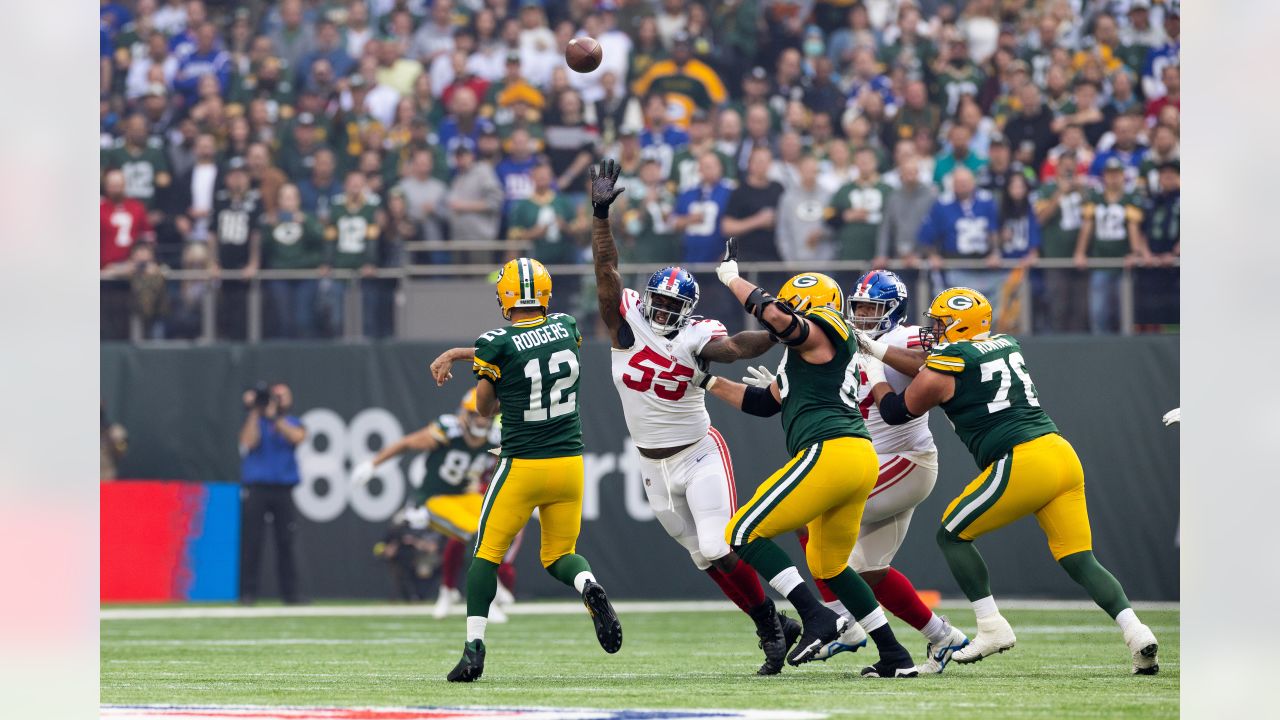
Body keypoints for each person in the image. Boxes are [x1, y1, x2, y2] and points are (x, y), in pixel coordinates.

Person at [857, 287, 1160, 675]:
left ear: (959, 324)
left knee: (952, 534)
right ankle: (1137, 633)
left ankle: (991, 626)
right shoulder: (1005, 343)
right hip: (1061, 454)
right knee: (1080, 558)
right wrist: (879, 350)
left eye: (940, 322)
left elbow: (897, 411)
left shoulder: (951, 358)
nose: (933, 329)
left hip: (1022, 459)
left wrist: (875, 370)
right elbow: (932, 364)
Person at [586, 159, 803, 675]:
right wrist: (600, 216)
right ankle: (775, 623)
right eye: (657, 303)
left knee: (715, 543)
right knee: (704, 558)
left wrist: (778, 332)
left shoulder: (694, 333)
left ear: (687, 309)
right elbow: (605, 271)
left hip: (697, 451)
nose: (661, 313)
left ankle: (775, 626)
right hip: (650, 464)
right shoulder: (627, 321)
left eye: (671, 306)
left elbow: (730, 349)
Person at [740, 270, 971, 673]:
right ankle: (941, 636)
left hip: (902, 459)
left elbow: (938, 364)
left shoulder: (901, 337)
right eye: (860, 307)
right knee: (868, 570)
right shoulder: (830, 340)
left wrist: (876, 351)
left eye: (873, 308)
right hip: (874, 462)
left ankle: (839, 622)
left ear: (893, 312)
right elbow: (775, 399)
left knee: (810, 517)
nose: (864, 315)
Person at [699, 259, 918, 678]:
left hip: (830, 451)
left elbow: (776, 316)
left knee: (741, 532)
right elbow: (764, 403)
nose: (779, 310)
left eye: (789, 304)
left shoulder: (824, 327)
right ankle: (894, 654)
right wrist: (706, 382)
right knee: (830, 566)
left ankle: (816, 616)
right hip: (855, 457)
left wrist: (731, 279)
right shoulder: (809, 353)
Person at [427, 257, 622, 682]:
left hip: (522, 465)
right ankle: (588, 585)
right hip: (569, 465)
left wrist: (476, 367)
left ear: (506, 296)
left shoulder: (496, 341)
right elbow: (527, 347)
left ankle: (473, 649)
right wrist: (465, 354)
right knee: (559, 556)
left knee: (485, 556)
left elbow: (483, 406)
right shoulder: (568, 326)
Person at [350, 389, 516, 621]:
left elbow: (508, 466)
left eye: (485, 415)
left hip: (466, 496)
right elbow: (407, 443)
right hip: (435, 499)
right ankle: (489, 593)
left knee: (499, 523)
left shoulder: (495, 437)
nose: (481, 420)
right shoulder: (448, 431)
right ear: (464, 416)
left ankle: (453, 591)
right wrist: (373, 464)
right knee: (475, 531)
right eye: (476, 415)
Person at [238, 382, 308, 605]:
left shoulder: (291, 421)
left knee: (286, 541)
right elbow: (248, 441)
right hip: (257, 488)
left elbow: (297, 437)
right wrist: (254, 412)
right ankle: (247, 593)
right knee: (251, 542)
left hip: (283, 488)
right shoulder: (255, 420)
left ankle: (291, 594)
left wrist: (275, 417)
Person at [1074, 157, 1149, 334]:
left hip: (1124, 263)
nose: (1113, 178)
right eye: (1110, 174)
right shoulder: (1096, 199)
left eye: (1117, 174)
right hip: (1100, 262)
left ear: (1123, 176)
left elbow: (1134, 228)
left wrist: (1135, 252)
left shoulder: (1130, 199)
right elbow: (1087, 226)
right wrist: (1080, 252)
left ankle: (1124, 352)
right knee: (1099, 313)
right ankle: (1100, 351)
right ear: (1104, 176)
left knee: (1124, 313)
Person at [918, 167, 1002, 302]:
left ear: (974, 182)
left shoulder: (987, 200)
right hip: (954, 265)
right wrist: (933, 255)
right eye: (959, 182)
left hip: (984, 266)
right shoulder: (942, 204)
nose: (963, 185)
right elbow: (927, 234)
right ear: (952, 184)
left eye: (966, 181)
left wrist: (995, 252)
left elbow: (994, 230)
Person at [320, 171, 381, 338]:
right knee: (337, 315)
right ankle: (338, 347)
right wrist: (327, 262)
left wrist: (370, 262)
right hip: (340, 266)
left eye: (359, 183)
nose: (355, 186)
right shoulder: (337, 206)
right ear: (345, 185)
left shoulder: (371, 207)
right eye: (352, 182)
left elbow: (372, 239)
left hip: (363, 268)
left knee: (366, 314)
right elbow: (330, 238)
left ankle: (367, 348)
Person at [826, 147, 893, 266]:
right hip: (849, 256)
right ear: (855, 163)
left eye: (868, 161)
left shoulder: (887, 190)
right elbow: (827, 215)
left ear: (876, 162)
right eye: (861, 161)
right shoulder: (844, 190)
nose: (864, 165)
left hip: (880, 257)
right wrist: (845, 216)